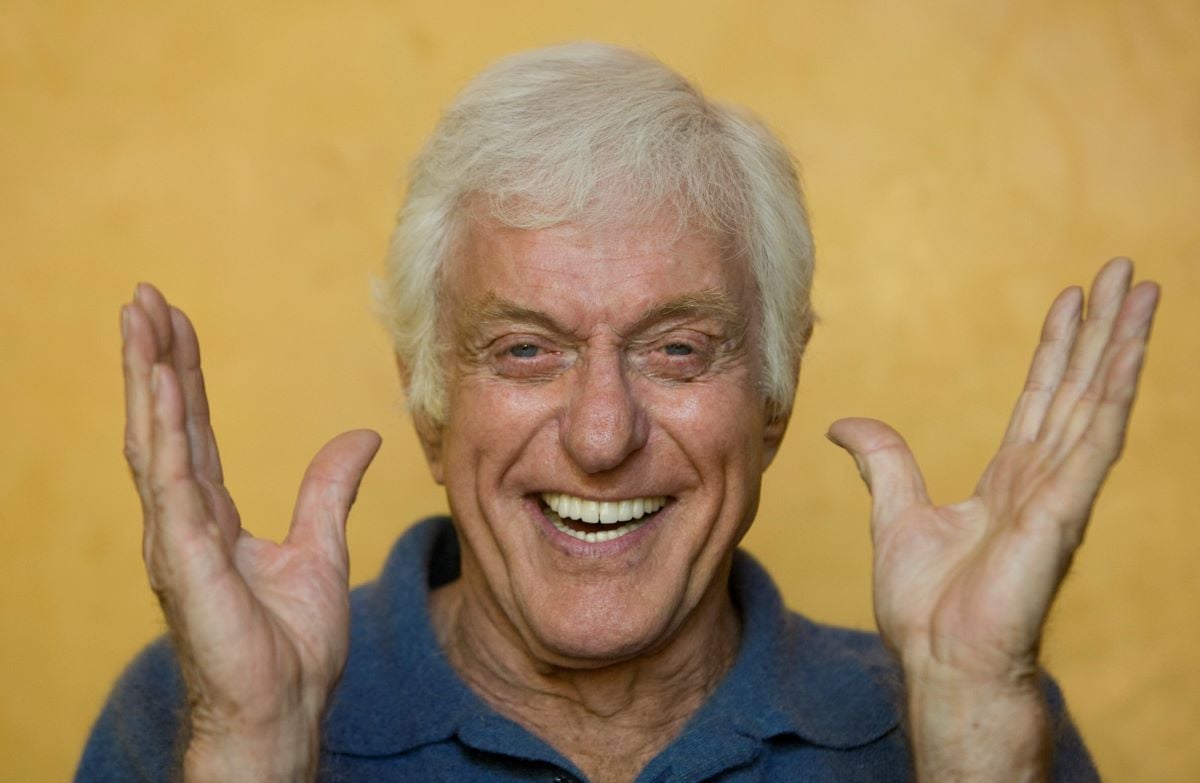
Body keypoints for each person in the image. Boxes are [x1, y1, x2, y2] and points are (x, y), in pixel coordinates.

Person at [78, 42, 1159, 782]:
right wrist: (253, 748)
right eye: (525, 351)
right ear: (431, 404)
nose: (602, 436)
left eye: (678, 350)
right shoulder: (199, 703)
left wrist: (975, 730)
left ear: (775, 399)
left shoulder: (971, 712)